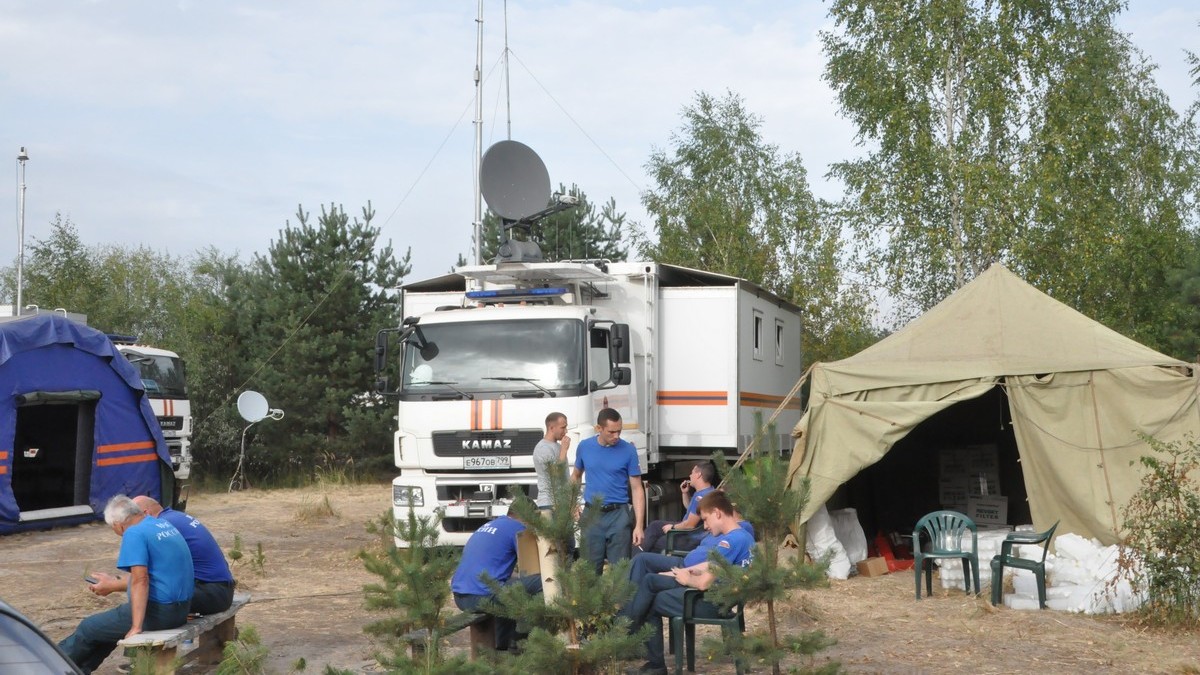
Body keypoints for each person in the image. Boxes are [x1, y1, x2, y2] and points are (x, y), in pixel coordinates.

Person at [621, 491, 754, 675]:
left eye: (706, 520)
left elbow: (703, 584)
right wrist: (682, 571)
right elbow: (712, 565)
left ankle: (627, 636)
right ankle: (631, 636)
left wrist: (688, 578)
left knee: (649, 594)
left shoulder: (731, 541)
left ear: (717, 513)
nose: (705, 526)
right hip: (721, 598)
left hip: (712, 602)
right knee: (650, 584)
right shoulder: (743, 537)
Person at [59, 495, 193, 674]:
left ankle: (50, 666)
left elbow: (140, 579)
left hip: (161, 611)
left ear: (118, 524)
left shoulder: (134, 532)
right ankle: (78, 670)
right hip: (182, 609)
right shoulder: (159, 524)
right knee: (104, 629)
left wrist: (136, 627)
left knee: (88, 627)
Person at [451, 514, 543, 651]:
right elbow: (531, 567)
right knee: (540, 582)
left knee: (507, 587)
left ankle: (503, 645)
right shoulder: (519, 528)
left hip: (459, 596)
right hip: (480, 596)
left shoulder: (491, 525)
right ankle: (525, 643)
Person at [132, 495, 236, 615]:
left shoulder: (163, 526)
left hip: (212, 592)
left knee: (148, 603)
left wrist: (116, 584)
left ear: (146, 514)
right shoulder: (174, 517)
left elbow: (148, 576)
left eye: (132, 519)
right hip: (218, 589)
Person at [571, 408, 645, 573]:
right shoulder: (584, 447)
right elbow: (575, 476)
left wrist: (639, 525)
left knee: (620, 572)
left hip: (618, 514)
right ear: (599, 428)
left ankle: (620, 600)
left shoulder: (628, 450)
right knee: (588, 572)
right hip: (592, 514)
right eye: (611, 432)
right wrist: (572, 503)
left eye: (619, 431)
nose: (616, 436)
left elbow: (637, 488)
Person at [637, 461, 716, 554]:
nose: (690, 476)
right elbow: (690, 508)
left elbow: (690, 525)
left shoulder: (701, 497)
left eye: (692, 473)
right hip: (688, 532)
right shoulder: (708, 492)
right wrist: (685, 493)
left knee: (655, 543)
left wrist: (673, 527)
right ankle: (637, 555)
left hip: (688, 537)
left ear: (698, 475)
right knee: (654, 526)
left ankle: (635, 560)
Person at [532, 412, 571, 510]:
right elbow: (556, 474)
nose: (566, 431)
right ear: (551, 428)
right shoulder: (543, 448)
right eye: (563, 427)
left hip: (562, 503)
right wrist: (564, 450)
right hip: (549, 504)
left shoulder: (557, 446)